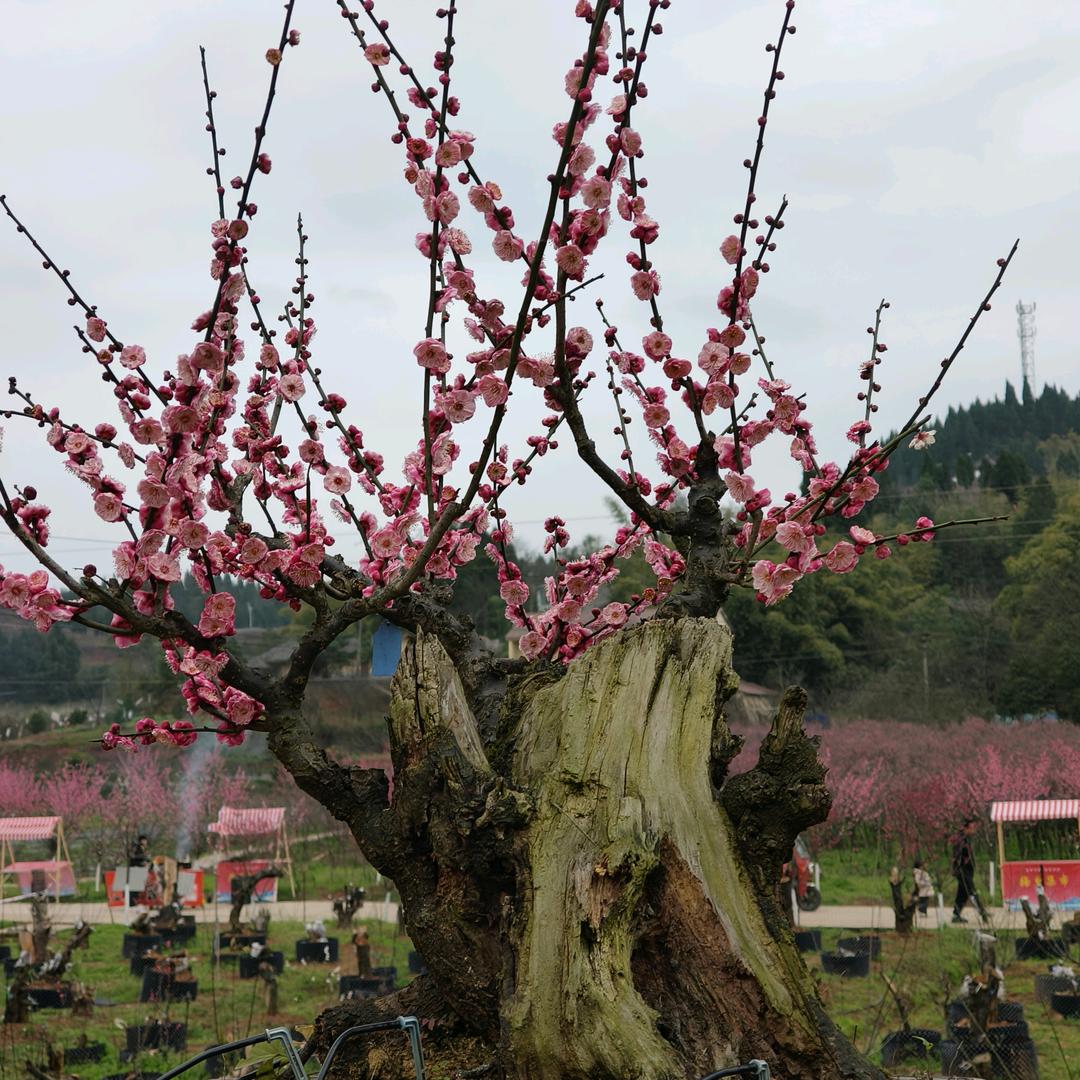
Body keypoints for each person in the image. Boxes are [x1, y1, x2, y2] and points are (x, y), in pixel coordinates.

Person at [950, 818, 987, 923]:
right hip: (962, 871)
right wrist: (958, 868)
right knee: (972, 891)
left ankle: (956, 915)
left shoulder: (965, 839)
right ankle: (982, 913)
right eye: (972, 828)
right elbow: (957, 856)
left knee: (962, 893)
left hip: (967, 871)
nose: (973, 830)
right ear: (966, 828)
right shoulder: (960, 840)